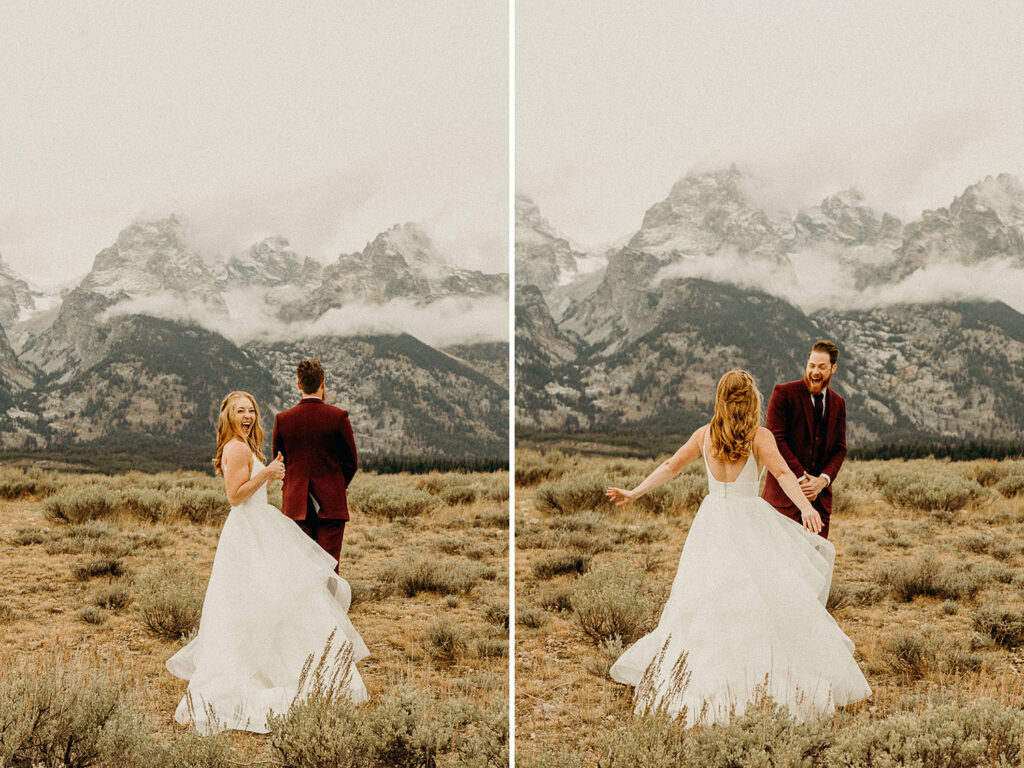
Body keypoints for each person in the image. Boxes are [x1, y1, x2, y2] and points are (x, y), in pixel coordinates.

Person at [605, 370, 870, 727]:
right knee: (760, 599)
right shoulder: (759, 437)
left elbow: (670, 467)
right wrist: (807, 506)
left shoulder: (704, 435)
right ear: (752, 401)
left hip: (712, 523)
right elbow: (784, 475)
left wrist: (636, 491)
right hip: (750, 522)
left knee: (706, 598)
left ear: (720, 398)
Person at [166, 390, 368, 734]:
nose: (248, 416)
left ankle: (274, 667)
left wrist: (267, 473)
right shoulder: (237, 447)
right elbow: (234, 496)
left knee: (273, 601)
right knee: (268, 600)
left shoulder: (243, 445)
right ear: (228, 415)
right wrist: (269, 473)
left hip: (260, 528)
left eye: (252, 410)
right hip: (249, 531)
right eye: (240, 410)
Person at [272, 359, 358, 571]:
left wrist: (294, 484)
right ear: (323, 383)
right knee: (328, 568)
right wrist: (336, 485)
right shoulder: (338, 417)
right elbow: (351, 462)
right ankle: (329, 605)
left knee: (302, 567)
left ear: (299, 385)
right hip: (331, 505)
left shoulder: (283, 420)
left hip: (295, 503)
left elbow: (279, 462)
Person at [762, 340, 846, 539]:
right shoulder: (783, 394)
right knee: (780, 564)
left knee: (815, 564)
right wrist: (801, 479)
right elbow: (776, 439)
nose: (815, 372)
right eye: (812, 365)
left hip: (819, 505)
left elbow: (840, 449)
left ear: (833, 368)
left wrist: (822, 481)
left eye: (822, 367)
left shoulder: (838, 403)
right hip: (783, 501)